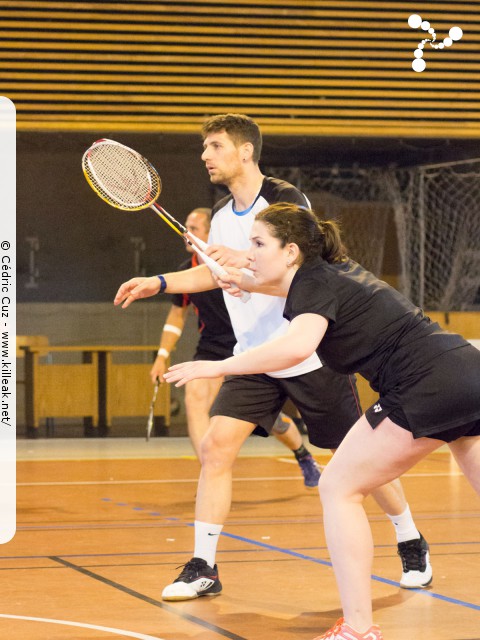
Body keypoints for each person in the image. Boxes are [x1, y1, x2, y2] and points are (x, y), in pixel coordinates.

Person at [114, 113, 432, 602]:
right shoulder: (221, 216)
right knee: (216, 448)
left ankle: (409, 536)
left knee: (354, 456)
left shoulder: (286, 201)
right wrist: (159, 282)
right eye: (204, 147)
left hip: (307, 353)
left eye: (214, 146)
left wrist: (241, 260)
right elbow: (212, 276)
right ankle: (204, 565)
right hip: (256, 356)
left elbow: (301, 264)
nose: (205, 156)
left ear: (245, 152)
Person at [163, 202, 480, 640]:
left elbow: (296, 347)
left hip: (423, 382)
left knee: (338, 487)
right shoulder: (332, 270)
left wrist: (217, 367)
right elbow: (271, 285)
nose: (248, 252)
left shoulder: (312, 285)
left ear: (291, 251)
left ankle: (358, 627)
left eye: (258, 243)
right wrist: (237, 278)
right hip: (466, 370)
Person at [151, 206, 321, 484]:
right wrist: (162, 355)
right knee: (194, 399)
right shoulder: (186, 271)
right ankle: (210, 472)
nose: (186, 234)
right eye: (186, 228)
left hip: (249, 345)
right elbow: (175, 317)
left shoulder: (240, 263)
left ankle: (302, 454)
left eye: (193, 229)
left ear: (211, 233)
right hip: (212, 345)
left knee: (275, 423)